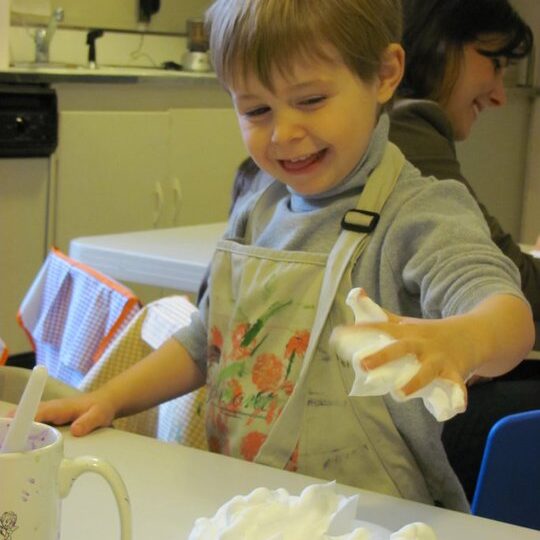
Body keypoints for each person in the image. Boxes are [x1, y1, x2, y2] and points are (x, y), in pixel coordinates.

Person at [34, 0, 534, 513]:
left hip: (375, 516)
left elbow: (511, 319)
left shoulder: (419, 212)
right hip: (248, 504)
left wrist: (464, 338)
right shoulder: (256, 211)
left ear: (384, 75)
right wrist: (110, 399)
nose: (284, 133)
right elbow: (205, 342)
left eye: (312, 100)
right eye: (256, 110)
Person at [389, 0, 540, 502]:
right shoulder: (406, 130)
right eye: (493, 62)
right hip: (406, 414)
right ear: (437, 41)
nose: (499, 94)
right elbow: (517, 288)